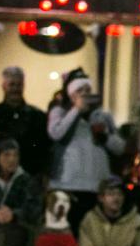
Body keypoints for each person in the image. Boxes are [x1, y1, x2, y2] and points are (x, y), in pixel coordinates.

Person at [47, 69, 125, 231]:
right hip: (68, 184)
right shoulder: (60, 111)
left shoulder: (102, 115)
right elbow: (56, 133)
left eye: (87, 90)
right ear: (71, 95)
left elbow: (120, 148)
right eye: (79, 91)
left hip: (96, 185)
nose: (84, 94)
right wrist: (76, 110)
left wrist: (105, 137)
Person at [0, 66, 49, 179]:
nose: (15, 88)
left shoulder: (38, 115)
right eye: (12, 84)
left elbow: (44, 147)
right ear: (4, 86)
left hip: (30, 174)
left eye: (19, 85)